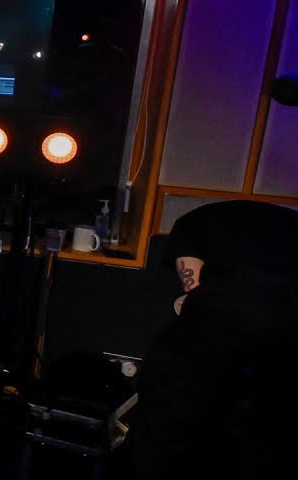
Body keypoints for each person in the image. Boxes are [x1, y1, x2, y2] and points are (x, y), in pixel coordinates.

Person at [127, 200, 298, 480]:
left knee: (169, 415)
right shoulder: (277, 227)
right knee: (275, 426)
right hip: (288, 320)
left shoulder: (191, 226)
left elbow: (193, 291)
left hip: (231, 309)